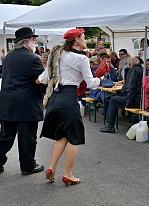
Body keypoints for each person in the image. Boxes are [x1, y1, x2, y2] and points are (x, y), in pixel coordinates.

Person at [38, 28, 103, 185]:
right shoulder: (82, 59)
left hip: (54, 98)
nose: (85, 40)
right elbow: (91, 84)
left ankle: (52, 168)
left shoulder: (57, 54)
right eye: (84, 38)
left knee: (63, 135)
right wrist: (101, 78)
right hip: (68, 98)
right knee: (74, 137)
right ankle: (68, 174)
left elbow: (44, 79)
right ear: (76, 41)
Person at [0, 27, 45, 175]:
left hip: (8, 101)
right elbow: (41, 81)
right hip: (26, 104)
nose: (35, 43)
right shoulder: (33, 58)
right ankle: (27, 167)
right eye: (34, 40)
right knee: (27, 137)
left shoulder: (8, 57)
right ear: (26, 42)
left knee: (5, 134)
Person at [100, 57, 143, 133]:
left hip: (135, 100)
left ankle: (110, 126)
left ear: (129, 64)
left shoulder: (132, 70)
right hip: (141, 99)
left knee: (113, 100)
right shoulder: (142, 69)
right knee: (115, 98)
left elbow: (130, 88)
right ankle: (131, 120)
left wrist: (128, 104)